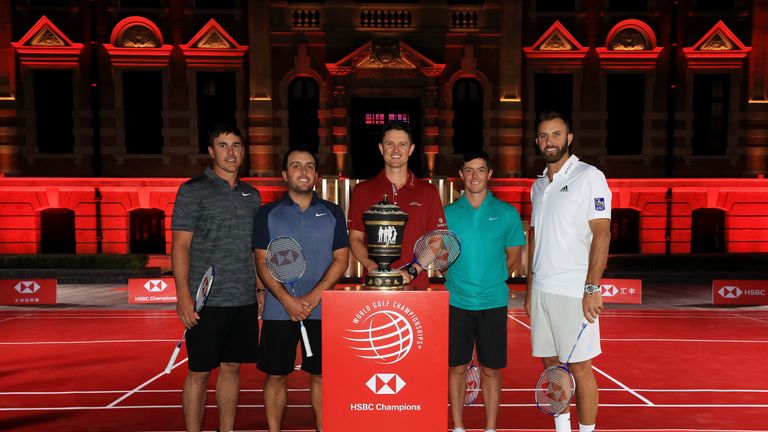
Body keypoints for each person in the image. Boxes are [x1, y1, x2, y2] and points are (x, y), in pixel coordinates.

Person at [525, 110, 612, 432]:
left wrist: (592, 287)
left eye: (556, 134)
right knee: (551, 367)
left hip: (573, 291)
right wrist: (531, 291)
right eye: (544, 136)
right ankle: (562, 429)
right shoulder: (537, 185)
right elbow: (535, 237)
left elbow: (602, 232)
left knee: (580, 367)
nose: (550, 141)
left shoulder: (590, 177)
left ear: (569, 138)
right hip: (542, 291)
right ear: (537, 141)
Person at [171, 124, 261, 432]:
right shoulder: (192, 190)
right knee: (198, 372)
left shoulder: (253, 195)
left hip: (243, 299)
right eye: (223, 145)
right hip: (205, 302)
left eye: (236, 145)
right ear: (211, 151)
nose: (231, 151)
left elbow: (255, 248)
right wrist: (183, 296)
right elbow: (180, 245)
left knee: (232, 368)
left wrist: (259, 288)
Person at [252, 148, 350, 432]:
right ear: (285, 174)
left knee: (320, 376)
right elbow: (261, 260)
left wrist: (311, 298)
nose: (303, 171)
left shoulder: (332, 212)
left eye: (309, 166)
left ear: (317, 175)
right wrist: (285, 299)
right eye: (296, 166)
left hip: (321, 309)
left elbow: (341, 258)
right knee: (275, 375)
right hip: (277, 310)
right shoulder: (267, 214)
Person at [444, 149, 526, 432]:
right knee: (456, 368)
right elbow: (441, 256)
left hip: (492, 303)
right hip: (456, 302)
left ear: (490, 174)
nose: (475, 176)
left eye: (481, 170)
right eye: (469, 170)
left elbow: (513, 258)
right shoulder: (447, 214)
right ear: (461, 176)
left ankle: (490, 428)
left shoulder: (507, 213)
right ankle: (458, 427)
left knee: (491, 370)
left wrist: (491, 276)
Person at [347, 120, 446, 287]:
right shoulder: (361, 191)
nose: (396, 150)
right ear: (381, 148)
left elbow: (436, 240)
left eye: (402, 144)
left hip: (416, 288)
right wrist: (372, 267)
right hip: (374, 286)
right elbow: (355, 238)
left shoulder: (429, 192)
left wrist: (412, 271)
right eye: (389, 144)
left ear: (411, 149)